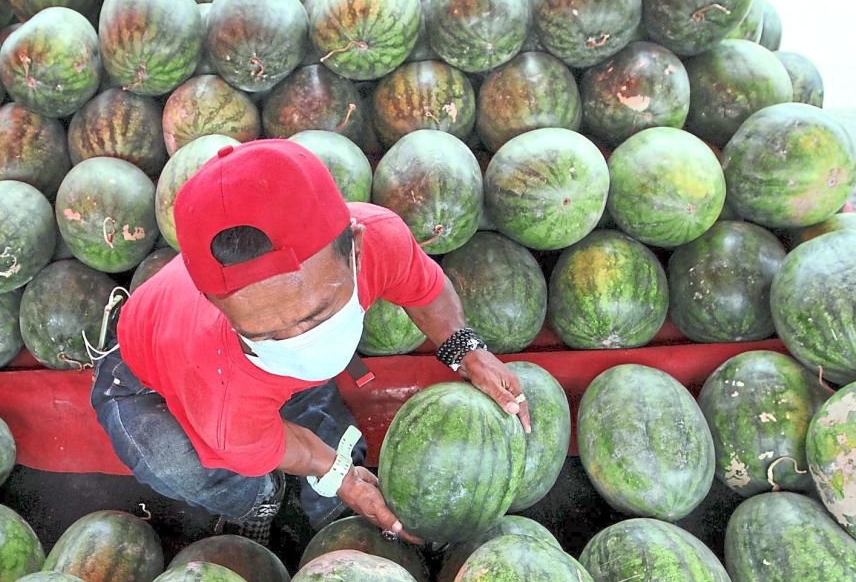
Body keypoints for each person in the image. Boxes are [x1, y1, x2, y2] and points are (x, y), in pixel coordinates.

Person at [91, 139, 529, 545]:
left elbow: (423, 289)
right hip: (145, 382)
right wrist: (337, 474)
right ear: (214, 304)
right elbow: (263, 443)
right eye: (268, 333)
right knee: (208, 472)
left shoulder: (380, 238)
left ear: (355, 246)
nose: (300, 342)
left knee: (341, 450)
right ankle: (259, 506)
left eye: (318, 315)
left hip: (243, 371)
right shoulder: (222, 402)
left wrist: (468, 351)